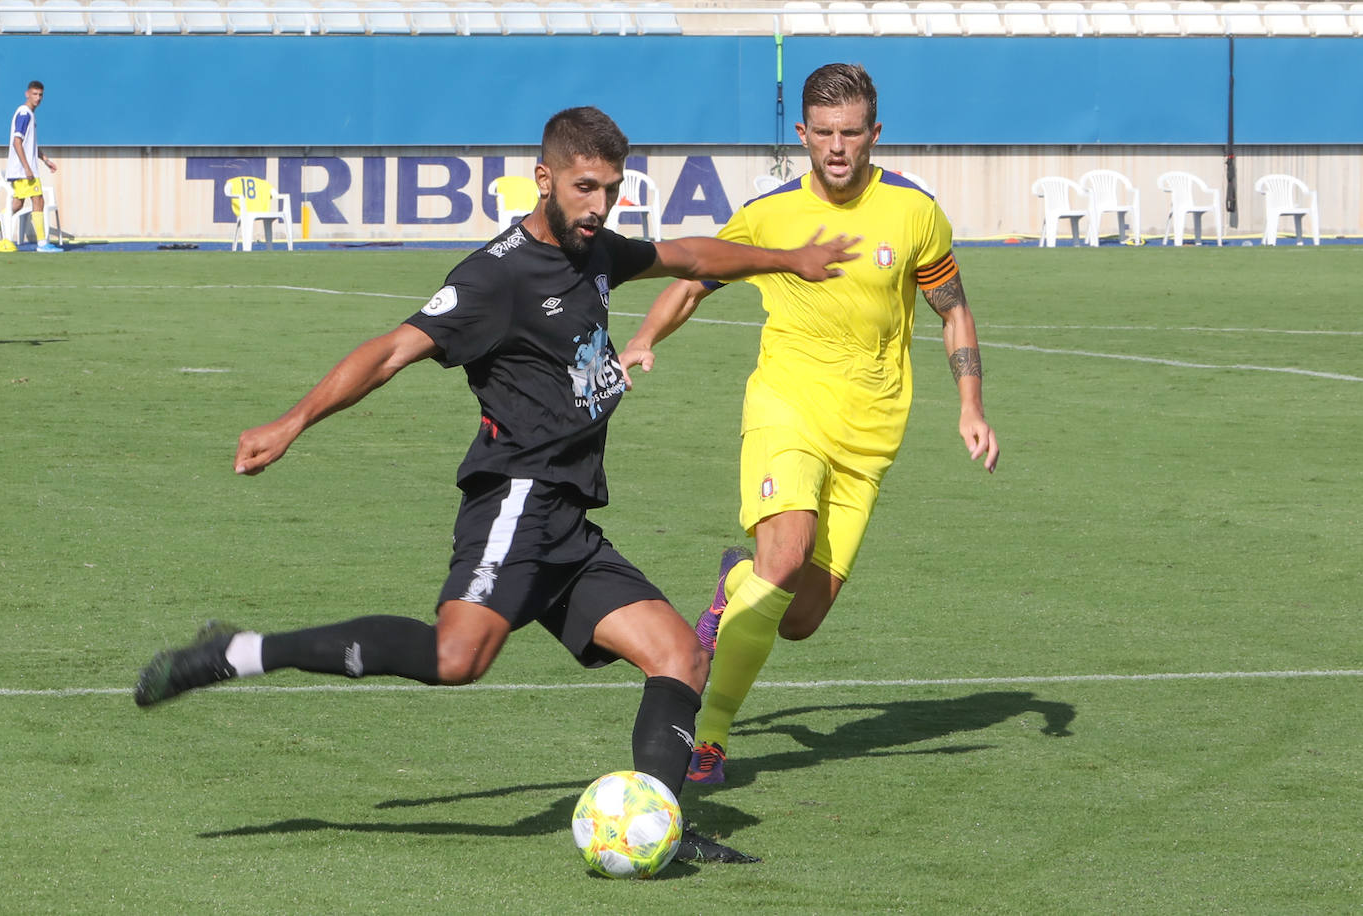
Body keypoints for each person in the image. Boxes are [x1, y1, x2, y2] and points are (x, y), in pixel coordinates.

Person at [133, 106, 859, 863]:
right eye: (584, 187)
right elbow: (390, 352)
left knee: (681, 657)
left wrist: (788, 260)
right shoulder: (496, 274)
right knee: (457, 659)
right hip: (516, 498)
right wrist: (291, 422)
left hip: (567, 519)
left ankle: (665, 829)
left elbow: (686, 255)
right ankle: (243, 651)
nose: (599, 205)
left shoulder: (594, 251)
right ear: (544, 179)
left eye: (610, 189)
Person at [617, 64, 1001, 786]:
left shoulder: (915, 212)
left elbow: (952, 308)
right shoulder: (770, 215)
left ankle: (735, 581)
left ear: (874, 134)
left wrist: (970, 404)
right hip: (787, 406)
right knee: (785, 558)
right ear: (801, 134)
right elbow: (694, 280)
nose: (837, 147)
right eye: (823, 133)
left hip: (871, 435)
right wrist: (643, 339)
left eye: (851, 133)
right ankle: (711, 738)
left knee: (797, 617)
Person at [5, 80, 63, 253]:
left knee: (17, 205)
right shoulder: (24, 113)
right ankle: (42, 243)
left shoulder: (29, 114)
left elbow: (30, 145)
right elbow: (17, 142)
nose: (38, 98)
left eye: (40, 95)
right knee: (38, 200)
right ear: (27, 94)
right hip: (24, 171)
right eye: (35, 94)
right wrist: (27, 168)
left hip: (23, 169)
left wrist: (45, 160)